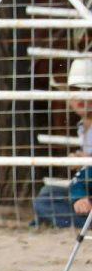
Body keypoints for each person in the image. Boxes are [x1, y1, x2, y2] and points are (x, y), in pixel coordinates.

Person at [33, 58, 92, 228]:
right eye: (75, 89)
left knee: (45, 202)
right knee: (47, 194)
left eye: (88, 90)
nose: (81, 96)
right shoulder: (83, 126)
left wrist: (79, 193)